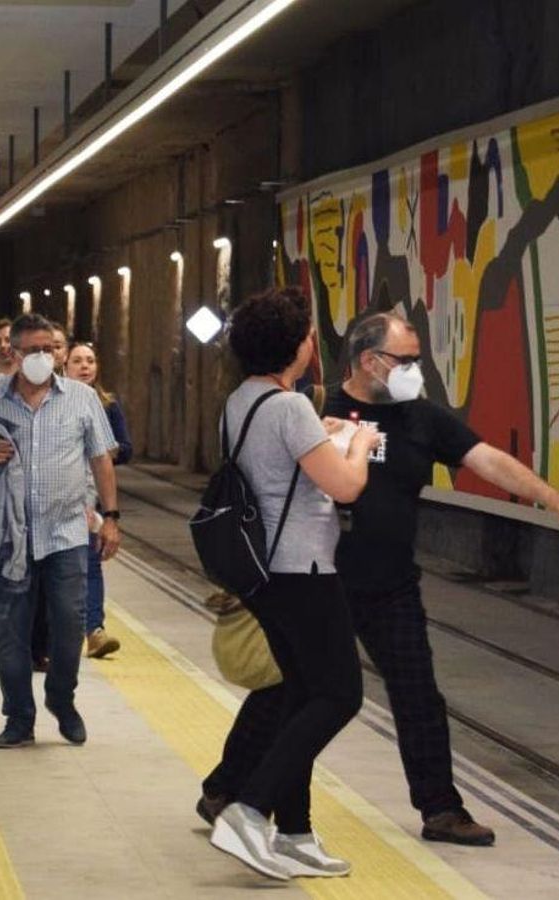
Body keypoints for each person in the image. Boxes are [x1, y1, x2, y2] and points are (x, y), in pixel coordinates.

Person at [201, 311, 559, 848]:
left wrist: (552, 498)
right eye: (406, 359)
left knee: (416, 694)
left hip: (390, 585)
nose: (415, 369)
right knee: (287, 693)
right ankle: (228, 790)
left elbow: (487, 460)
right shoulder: (315, 406)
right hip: (322, 580)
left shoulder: (422, 418)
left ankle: (441, 808)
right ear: (370, 360)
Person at [199, 288, 380, 881]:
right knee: (338, 695)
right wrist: (359, 444)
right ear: (294, 346)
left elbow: (278, 468)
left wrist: (321, 433)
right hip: (304, 571)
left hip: (264, 576)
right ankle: (250, 809)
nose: (311, 344)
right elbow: (345, 486)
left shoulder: (242, 401)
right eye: (307, 335)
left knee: (302, 694)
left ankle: (296, 832)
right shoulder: (289, 407)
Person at [0, 314, 121, 750]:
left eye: (48, 349)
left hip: (66, 533)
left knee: (70, 624)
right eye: (32, 350)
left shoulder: (82, 400)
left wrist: (111, 517)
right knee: (11, 629)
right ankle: (18, 718)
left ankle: (61, 699)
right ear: (12, 352)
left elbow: (101, 460)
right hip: (10, 538)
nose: (41, 357)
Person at [64, 341, 133, 658]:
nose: (85, 366)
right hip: (59, 495)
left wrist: (102, 452)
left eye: (90, 360)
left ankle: (94, 630)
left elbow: (124, 448)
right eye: (77, 360)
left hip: (90, 496)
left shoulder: (107, 405)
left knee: (90, 563)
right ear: (64, 366)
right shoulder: (54, 403)